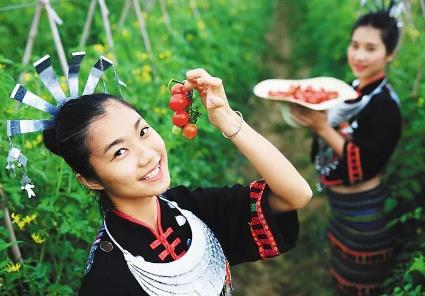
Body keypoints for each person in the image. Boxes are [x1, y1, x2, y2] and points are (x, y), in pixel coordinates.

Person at [40, 68, 312, 295]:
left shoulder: (191, 209)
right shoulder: (106, 279)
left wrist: (227, 120)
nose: (147, 155)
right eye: (119, 151)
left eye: (143, 132)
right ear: (90, 179)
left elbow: (296, 195)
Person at [290, 10, 402, 295]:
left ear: (390, 53)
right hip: (340, 209)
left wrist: (323, 128)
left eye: (371, 48)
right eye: (355, 45)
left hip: (365, 213)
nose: (359, 56)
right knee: (343, 275)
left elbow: (366, 163)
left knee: (363, 283)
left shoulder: (385, 106)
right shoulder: (350, 91)